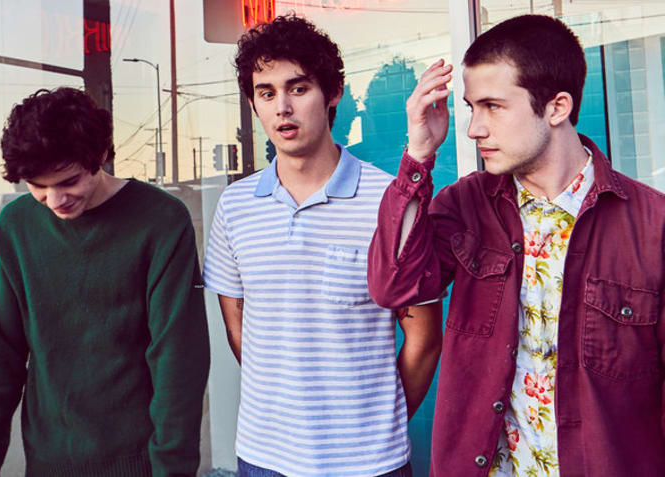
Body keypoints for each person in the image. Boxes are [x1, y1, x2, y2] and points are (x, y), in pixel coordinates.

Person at [367, 13, 665, 476]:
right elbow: (394, 286)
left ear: (557, 107)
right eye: (472, 107)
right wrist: (419, 155)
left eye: (493, 106)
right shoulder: (466, 205)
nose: (474, 129)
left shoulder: (652, 225)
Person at [202, 14, 442, 477]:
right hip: (263, 457)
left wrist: (376, 426)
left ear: (332, 93)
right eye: (266, 93)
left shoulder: (389, 200)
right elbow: (239, 328)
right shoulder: (235, 206)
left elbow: (424, 338)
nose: (282, 108)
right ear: (253, 103)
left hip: (369, 464)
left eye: (298, 88)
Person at [0, 87, 210, 476]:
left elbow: (178, 360)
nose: (55, 200)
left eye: (68, 181)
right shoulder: (16, 226)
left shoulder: (161, 220)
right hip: (47, 463)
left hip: (140, 463)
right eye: (38, 186)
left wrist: (172, 469)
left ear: (99, 157)